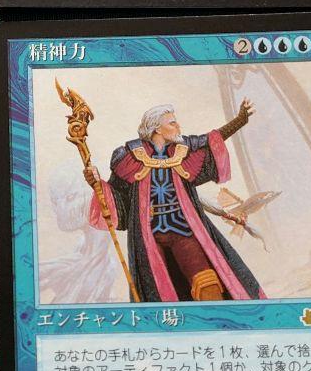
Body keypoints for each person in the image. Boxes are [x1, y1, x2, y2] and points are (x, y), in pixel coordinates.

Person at [84, 100, 266, 302]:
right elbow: (117, 195)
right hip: (149, 237)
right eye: (172, 123)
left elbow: (211, 139)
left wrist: (239, 120)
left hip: (183, 231)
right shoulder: (129, 157)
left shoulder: (184, 149)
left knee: (208, 285)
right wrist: (96, 183)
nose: (178, 126)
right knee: (159, 293)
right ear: (157, 128)